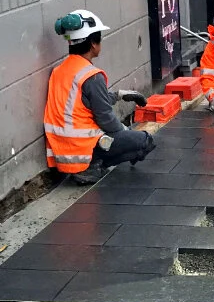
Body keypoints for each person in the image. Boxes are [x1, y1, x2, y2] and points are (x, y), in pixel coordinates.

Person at [45, 10, 155, 185]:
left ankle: (90, 165)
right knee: (144, 141)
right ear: (93, 44)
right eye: (99, 39)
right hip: (82, 150)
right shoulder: (91, 76)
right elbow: (107, 120)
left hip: (62, 152)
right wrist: (126, 133)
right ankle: (91, 167)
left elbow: (83, 103)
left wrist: (118, 96)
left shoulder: (60, 71)